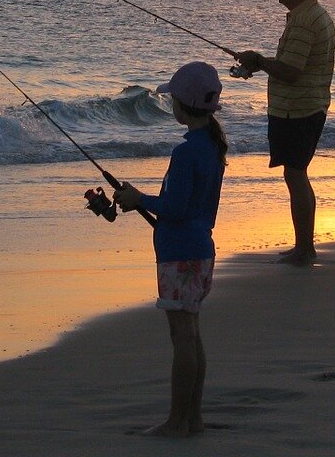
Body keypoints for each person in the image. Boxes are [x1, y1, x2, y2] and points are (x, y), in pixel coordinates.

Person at [113, 61, 227, 438]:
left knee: (182, 338)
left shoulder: (187, 152)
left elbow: (175, 207)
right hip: (199, 250)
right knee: (191, 334)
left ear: (181, 105)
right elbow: (192, 206)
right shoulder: (211, 146)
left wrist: (137, 198)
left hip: (180, 255)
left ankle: (178, 421)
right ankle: (192, 418)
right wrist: (141, 200)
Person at [235, 0, 335, 266]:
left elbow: (291, 71)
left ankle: (305, 249)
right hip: (303, 106)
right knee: (297, 174)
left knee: (295, 174)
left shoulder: (305, 21)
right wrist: (261, 63)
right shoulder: (310, 15)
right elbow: (292, 67)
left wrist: (259, 61)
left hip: (298, 110)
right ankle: (303, 246)